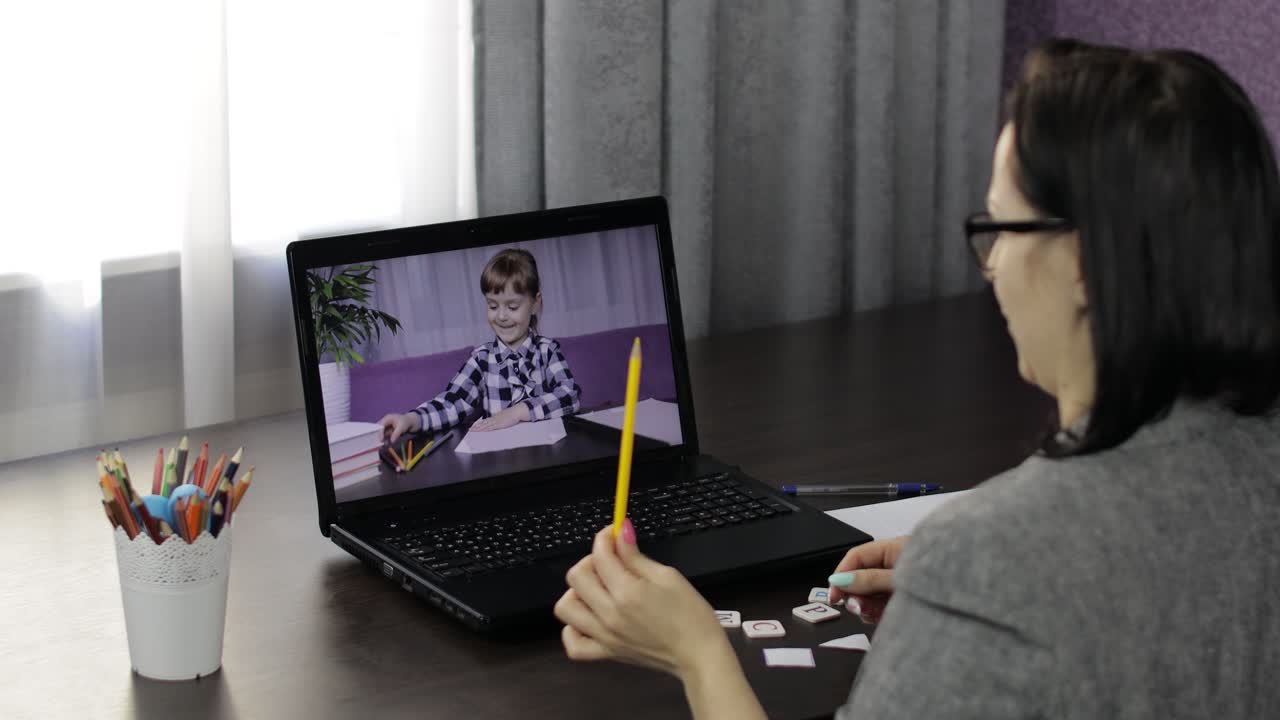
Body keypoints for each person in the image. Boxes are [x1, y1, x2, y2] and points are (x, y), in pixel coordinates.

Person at [553, 39, 1280, 719]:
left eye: (999, 230)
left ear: (1084, 264)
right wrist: (963, 603)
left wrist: (696, 654)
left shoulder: (985, 555)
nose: (991, 265)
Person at [379, 248, 581, 442]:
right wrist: (409, 420)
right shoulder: (482, 358)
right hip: (501, 460)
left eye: (512, 306)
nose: (501, 316)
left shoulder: (547, 351)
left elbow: (569, 396)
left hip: (546, 455)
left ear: (535, 303)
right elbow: (453, 402)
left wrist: (519, 412)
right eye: (493, 306)